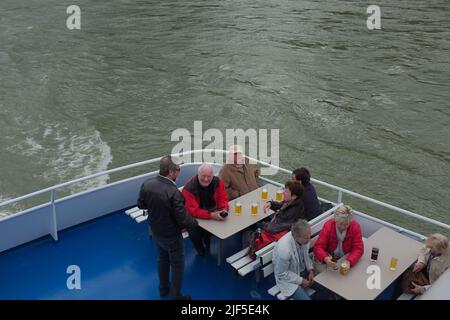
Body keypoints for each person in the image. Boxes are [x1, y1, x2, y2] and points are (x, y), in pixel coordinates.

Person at [137, 155, 198, 300]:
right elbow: (183, 219)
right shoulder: (174, 193)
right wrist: (195, 223)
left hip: (156, 231)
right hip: (171, 236)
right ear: (171, 172)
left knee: (162, 259)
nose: (179, 172)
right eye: (178, 169)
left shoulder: (147, 184)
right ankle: (176, 296)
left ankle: (163, 289)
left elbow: (141, 205)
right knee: (177, 265)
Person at [247, 180, 305, 257]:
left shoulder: (291, 213)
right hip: (279, 233)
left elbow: (273, 228)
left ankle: (248, 255)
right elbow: (280, 205)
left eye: (286, 191)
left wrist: (261, 224)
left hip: (275, 239)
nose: (283, 192)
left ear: (294, 196)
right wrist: (271, 203)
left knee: (246, 232)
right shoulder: (294, 202)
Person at [182, 163, 229, 256]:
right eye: (203, 176)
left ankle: (207, 240)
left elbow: (223, 198)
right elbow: (193, 211)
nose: (206, 179)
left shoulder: (217, 182)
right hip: (193, 216)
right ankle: (200, 249)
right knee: (193, 231)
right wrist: (212, 215)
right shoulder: (189, 189)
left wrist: (223, 209)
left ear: (212, 175)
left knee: (217, 225)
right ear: (198, 174)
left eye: (209, 177)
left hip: (211, 211)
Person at [272, 219, 315, 300]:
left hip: (302, 270)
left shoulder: (304, 239)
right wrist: (301, 281)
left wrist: (310, 270)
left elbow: (306, 255)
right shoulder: (284, 250)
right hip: (288, 279)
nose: (309, 240)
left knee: (325, 287)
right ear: (296, 237)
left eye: (310, 236)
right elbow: (281, 273)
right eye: (306, 238)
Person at [313, 205, 364, 271]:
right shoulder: (328, 226)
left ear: (350, 222)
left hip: (346, 257)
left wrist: (349, 261)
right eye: (340, 224)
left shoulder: (355, 227)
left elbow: (358, 248)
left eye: (346, 224)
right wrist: (325, 258)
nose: (342, 227)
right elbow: (318, 247)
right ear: (335, 220)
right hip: (330, 256)